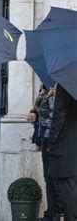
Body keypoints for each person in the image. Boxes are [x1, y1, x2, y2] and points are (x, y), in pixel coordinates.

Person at [26, 84, 59, 221]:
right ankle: (51, 212)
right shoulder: (45, 88)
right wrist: (35, 115)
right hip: (44, 140)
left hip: (58, 141)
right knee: (48, 178)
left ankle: (59, 213)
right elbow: (41, 113)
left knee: (58, 179)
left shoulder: (64, 88)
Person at [48, 83, 77, 220]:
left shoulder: (66, 83)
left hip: (66, 145)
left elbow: (59, 115)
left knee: (67, 189)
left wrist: (52, 141)